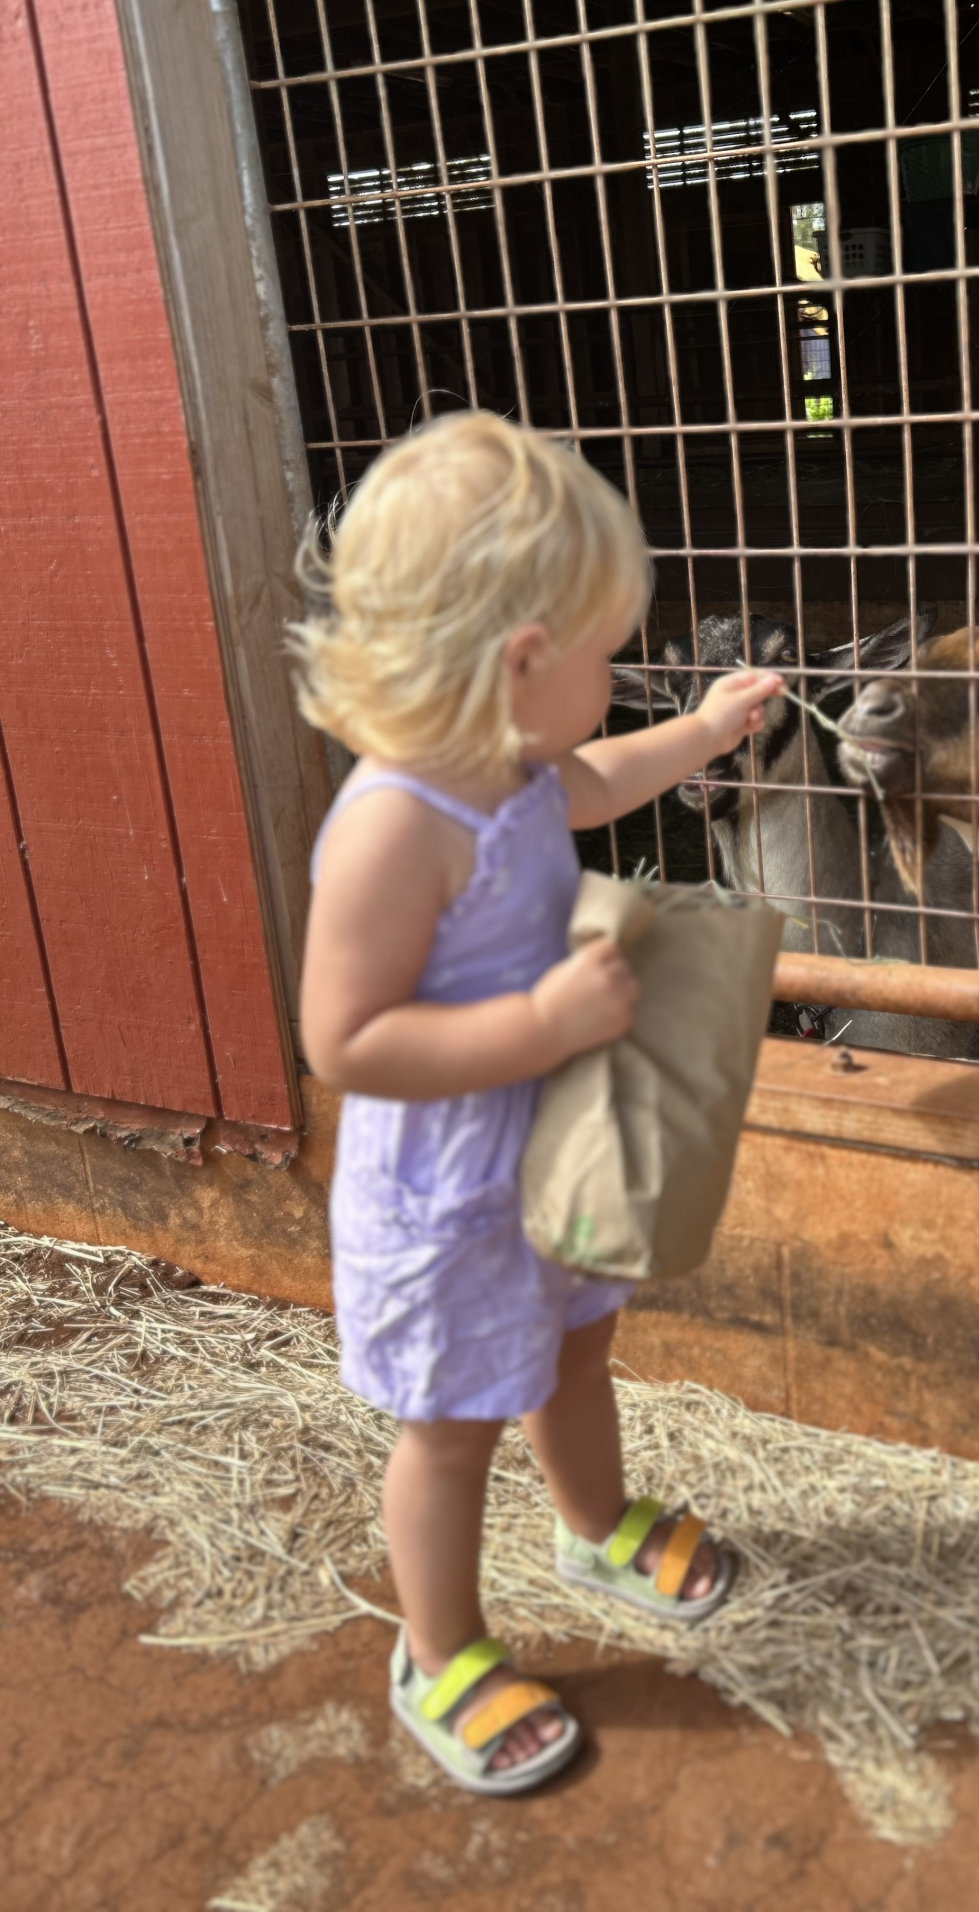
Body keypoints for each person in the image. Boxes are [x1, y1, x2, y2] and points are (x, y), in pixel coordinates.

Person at [292, 411, 782, 1795]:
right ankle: (436, 1647)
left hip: (547, 1150)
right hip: (445, 1186)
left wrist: (700, 727)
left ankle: (592, 1522)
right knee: (446, 1426)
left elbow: (603, 776)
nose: (617, 676)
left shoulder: (511, 766)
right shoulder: (396, 823)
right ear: (520, 663)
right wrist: (535, 1022)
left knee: (578, 1345)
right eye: (609, 654)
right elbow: (345, 1037)